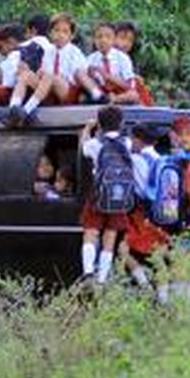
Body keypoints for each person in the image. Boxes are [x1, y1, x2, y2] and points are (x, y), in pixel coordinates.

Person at [79, 106, 133, 285]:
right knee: (110, 236)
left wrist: (87, 129)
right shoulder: (127, 143)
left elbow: (83, 148)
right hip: (121, 196)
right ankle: (102, 279)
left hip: (99, 194)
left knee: (91, 232)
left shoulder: (95, 144)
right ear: (121, 123)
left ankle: (88, 272)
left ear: (100, 125)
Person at [122, 123, 170, 289]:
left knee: (121, 247)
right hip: (161, 213)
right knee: (158, 253)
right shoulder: (161, 159)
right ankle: (164, 295)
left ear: (136, 139)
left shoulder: (135, 159)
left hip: (142, 212)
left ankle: (143, 282)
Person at [45, 12, 106, 105]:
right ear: (50, 33)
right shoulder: (47, 51)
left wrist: (61, 77)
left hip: (69, 89)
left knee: (79, 73)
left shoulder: (74, 52)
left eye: (65, 31)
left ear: (71, 36)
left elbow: (81, 73)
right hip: (49, 88)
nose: (60, 35)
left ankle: (98, 96)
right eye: (56, 30)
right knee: (41, 76)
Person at [87, 22, 139, 105]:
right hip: (101, 92)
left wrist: (108, 76)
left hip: (120, 92)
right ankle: (105, 99)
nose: (103, 40)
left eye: (108, 37)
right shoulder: (90, 59)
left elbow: (129, 85)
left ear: (113, 39)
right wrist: (92, 76)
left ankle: (113, 99)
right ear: (94, 40)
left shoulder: (123, 58)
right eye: (99, 37)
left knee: (133, 95)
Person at [113, 21, 154, 106]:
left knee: (139, 85)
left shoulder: (127, 59)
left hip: (126, 93)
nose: (126, 43)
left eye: (130, 40)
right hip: (112, 91)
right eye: (122, 38)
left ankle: (149, 112)